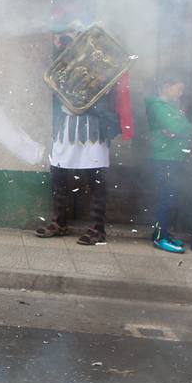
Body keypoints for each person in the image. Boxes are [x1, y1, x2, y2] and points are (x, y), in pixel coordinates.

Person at [36, 28, 121, 247]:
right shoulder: (64, 62)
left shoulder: (103, 66)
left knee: (95, 179)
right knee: (59, 175)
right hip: (66, 126)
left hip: (93, 127)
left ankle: (97, 229)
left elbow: (105, 98)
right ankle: (59, 222)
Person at [144, 73, 191, 253]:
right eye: (178, 89)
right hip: (164, 158)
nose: (180, 93)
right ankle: (160, 237)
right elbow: (178, 127)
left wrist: (180, 126)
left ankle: (163, 232)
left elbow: (189, 128)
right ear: (166, 86)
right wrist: (179, 125)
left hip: (173, 157)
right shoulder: (157, 106)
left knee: (170, 197)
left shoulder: (171, 107)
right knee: (165, 197)